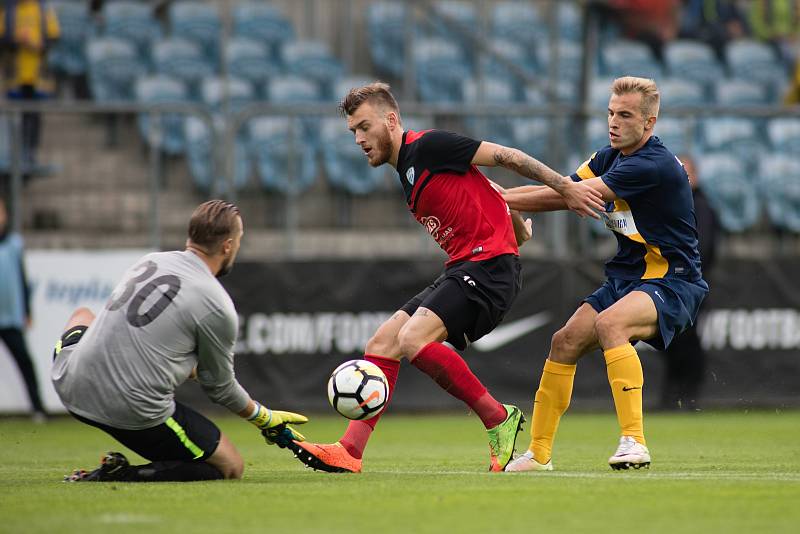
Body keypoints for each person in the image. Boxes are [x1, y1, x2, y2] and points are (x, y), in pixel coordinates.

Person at [288, 82, 605, 474]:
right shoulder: (407, 171)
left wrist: (565, 188)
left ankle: (498, 419)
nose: (358, 138)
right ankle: (350, 451)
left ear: (390, 120)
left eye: (364, 127)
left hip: (488, 270)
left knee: (412, 339)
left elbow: (507, 155)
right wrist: (518, 228)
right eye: (353, 131)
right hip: (467, 267)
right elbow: (488, 192)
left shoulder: (429, 146)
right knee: (383, 342)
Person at [501, 77, 708, 472]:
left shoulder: (652, 164)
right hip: (627, 279)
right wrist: (506, 198)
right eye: (611, 113)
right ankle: (538, 455)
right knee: (564, 342)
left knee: (611, 324)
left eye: (625, 115)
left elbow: (568, 195)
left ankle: (635, 442)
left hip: (673, 280)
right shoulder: (607, 157)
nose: (613, 122)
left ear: (649, 123)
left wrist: (500, 196)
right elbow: (568, 188)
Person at [52, 200, 308, 482]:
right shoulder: (216, 304)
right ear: (227, 246)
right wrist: (263, 417)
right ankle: (119, 474)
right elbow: (220, 387)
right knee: (230, 466)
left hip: (70, 381)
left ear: (191, 236)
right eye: (239, 240)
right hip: (129, 407)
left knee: (83, 315)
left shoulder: (151, 260)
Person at [660, 155, 719, 410]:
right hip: (670, 284)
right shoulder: (671, 204)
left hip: (689, 286)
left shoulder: (700, 206)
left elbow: (701, 248)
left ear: (695, 176)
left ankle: (688, 395)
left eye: (686, 171)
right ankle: (675, 395)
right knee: (672, 341)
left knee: (687, 340)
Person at [0, 0, 60, 171]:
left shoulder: (42, 10)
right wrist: (17, 39)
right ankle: (15, 154)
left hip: (37, 77)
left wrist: (37, 43)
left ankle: (30, 153)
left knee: (34, 116)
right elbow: (2, 39)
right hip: (15, 78)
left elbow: (53, 38)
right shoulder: (10, 11)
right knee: (15, 117)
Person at [0, 198, 45, 421]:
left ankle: (38, 408)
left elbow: (21, 279)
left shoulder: (14, 244)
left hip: (9, 318)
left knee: (25, 362)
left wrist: (27, 311)